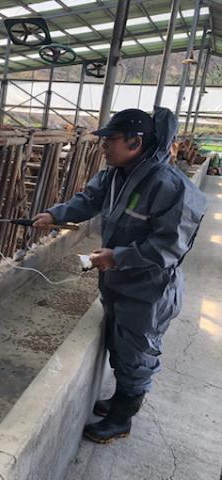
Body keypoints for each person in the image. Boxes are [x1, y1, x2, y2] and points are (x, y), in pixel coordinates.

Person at [33, 108, 206, 443]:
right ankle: (119, 401)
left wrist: (117, 257)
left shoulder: (170, 187)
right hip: (119, 283)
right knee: (120, 343)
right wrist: (54, 215)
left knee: (138, 352)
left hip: (149, 290)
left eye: (110, 139)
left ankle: (122, 419)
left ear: (135, 142)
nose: (104, 146)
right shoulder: (115, 175)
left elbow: (168, 247)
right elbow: (89, 200)